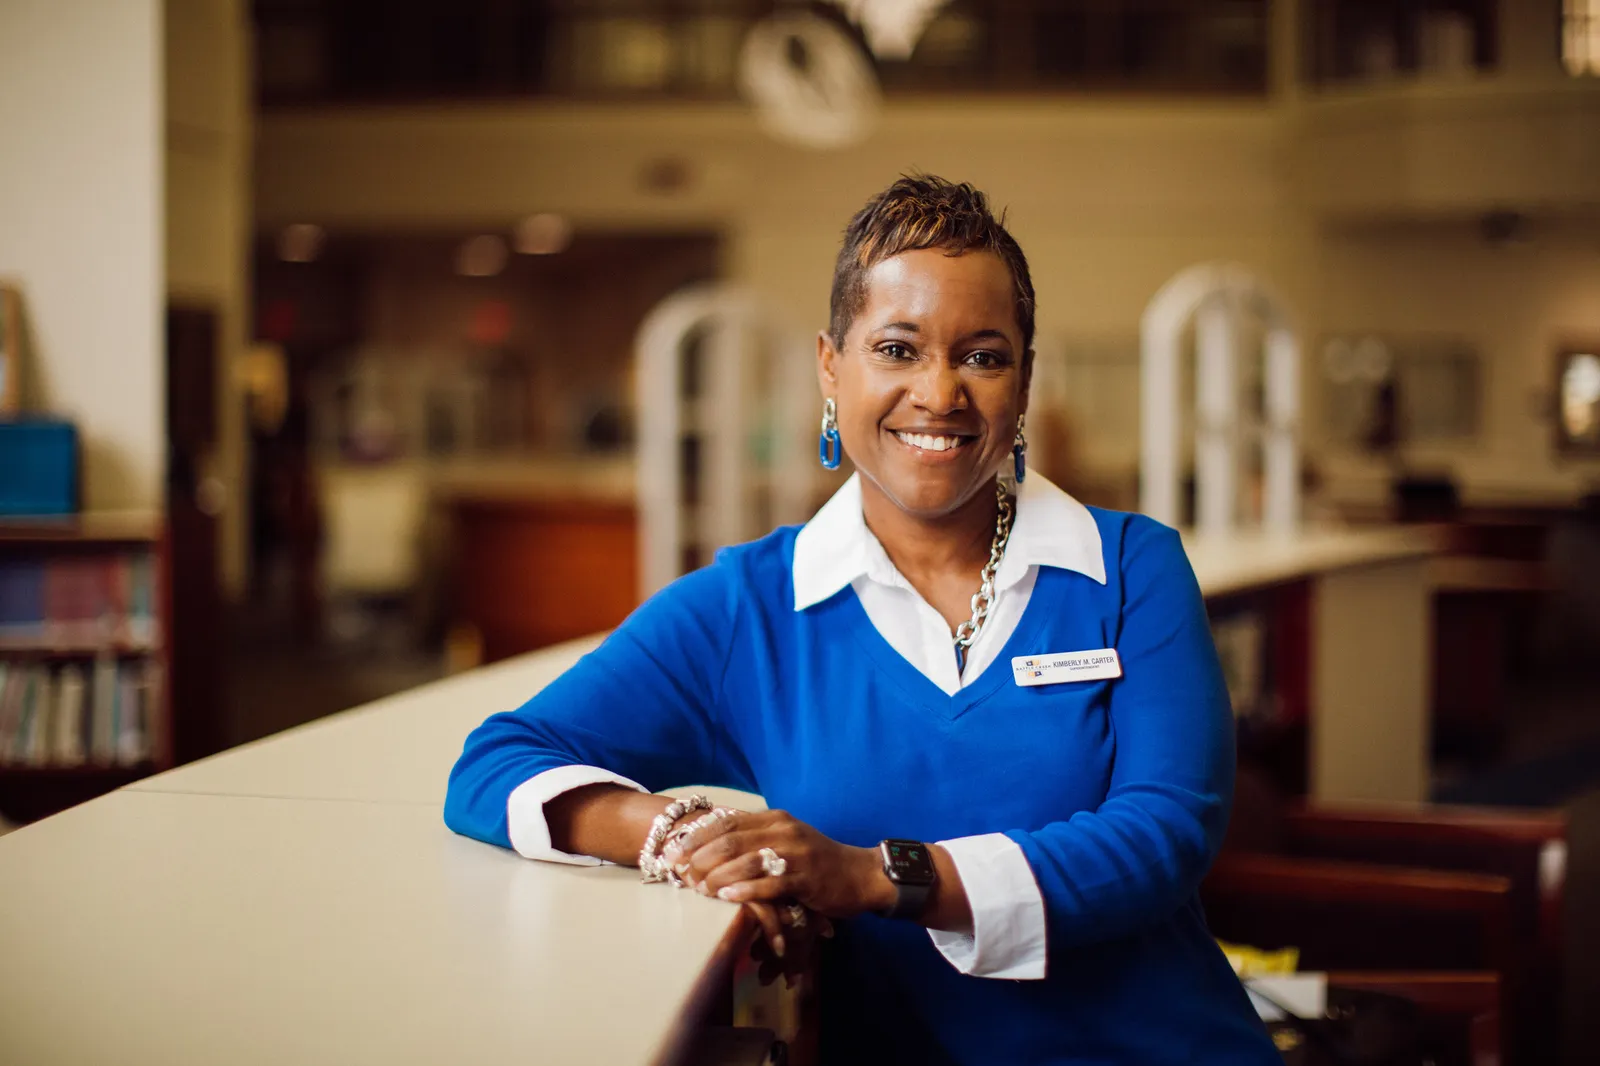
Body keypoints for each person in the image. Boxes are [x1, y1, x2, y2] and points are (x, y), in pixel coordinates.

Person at [445, 175, 1280, 1064]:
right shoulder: (751, 610)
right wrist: (678, 834)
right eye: (897, 347)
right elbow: (493, 765)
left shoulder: (1130, 569)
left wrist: (875, 876)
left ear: (1025, 381)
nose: (940, 391)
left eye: (984, 356)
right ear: (830, 368)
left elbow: (1165, 833)